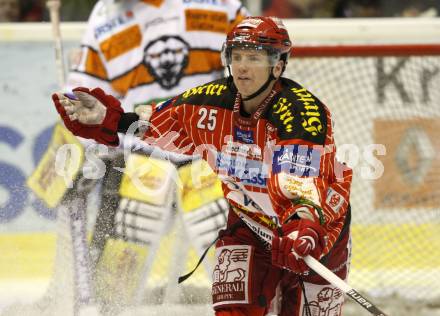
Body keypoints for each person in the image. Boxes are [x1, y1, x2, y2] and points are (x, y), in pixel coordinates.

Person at [52, 16, 353, 316]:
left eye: (253, 58)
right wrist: (108, 118)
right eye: (236, 57)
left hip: (318, 232)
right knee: (233, 311)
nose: (242, 66)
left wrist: (303, 226)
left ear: (277, 65)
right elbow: (155, 126)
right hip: (249, 225)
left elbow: (299, 180)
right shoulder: (208, 101)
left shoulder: (302, 112)